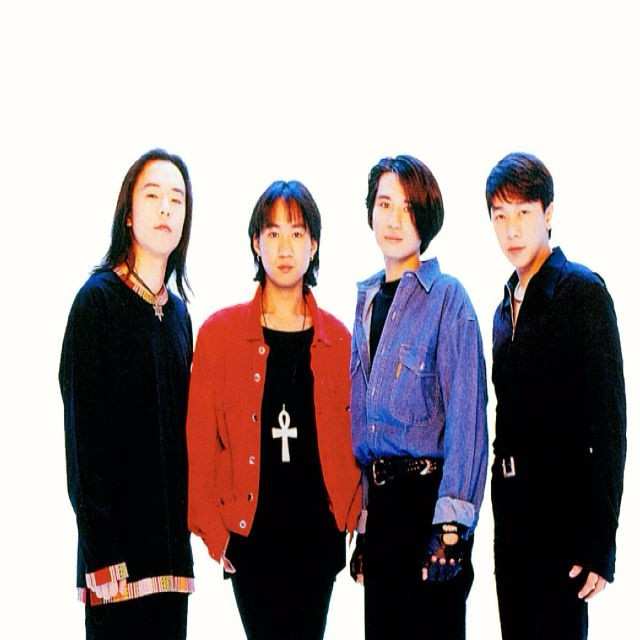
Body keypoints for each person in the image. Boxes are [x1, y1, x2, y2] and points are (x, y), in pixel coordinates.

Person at [186, 180, 361, 640]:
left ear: (313, 245)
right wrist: (216, 536)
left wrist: (352, 517)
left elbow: (357, 439)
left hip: (318, 538)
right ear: (255, 243)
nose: (286, 248)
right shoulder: (219, 335)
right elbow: (199, 446)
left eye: (297, 234)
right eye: (274, 233)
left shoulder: (339, 340)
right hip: (251, 539)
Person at [486, 152, 626, 640]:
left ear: (548, 213)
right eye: (500, 216)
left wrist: (599, 543)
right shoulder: (503, 309)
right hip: (511, 515)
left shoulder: (581, 292)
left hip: (561, 519)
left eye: (523, 213)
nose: (512, 230)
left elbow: (609, 424)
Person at [349, 155, 488, 640]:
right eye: (384, 204)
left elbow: (468, 419)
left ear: (426, 218)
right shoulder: (366, 304)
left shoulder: (448, 298)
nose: (394, 219)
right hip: (383, 512)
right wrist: (366, 526)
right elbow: (366, 430)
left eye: (408, 208)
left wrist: (451, 530)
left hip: (429, 507)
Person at [59, 149, 195, 640]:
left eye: (176, 199)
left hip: (170, 560)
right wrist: (102, 554)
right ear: (129, 213)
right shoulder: (96, 303)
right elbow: (83, 442)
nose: (165, 209)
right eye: (152, 195)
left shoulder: (179, 317)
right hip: (114, 565)